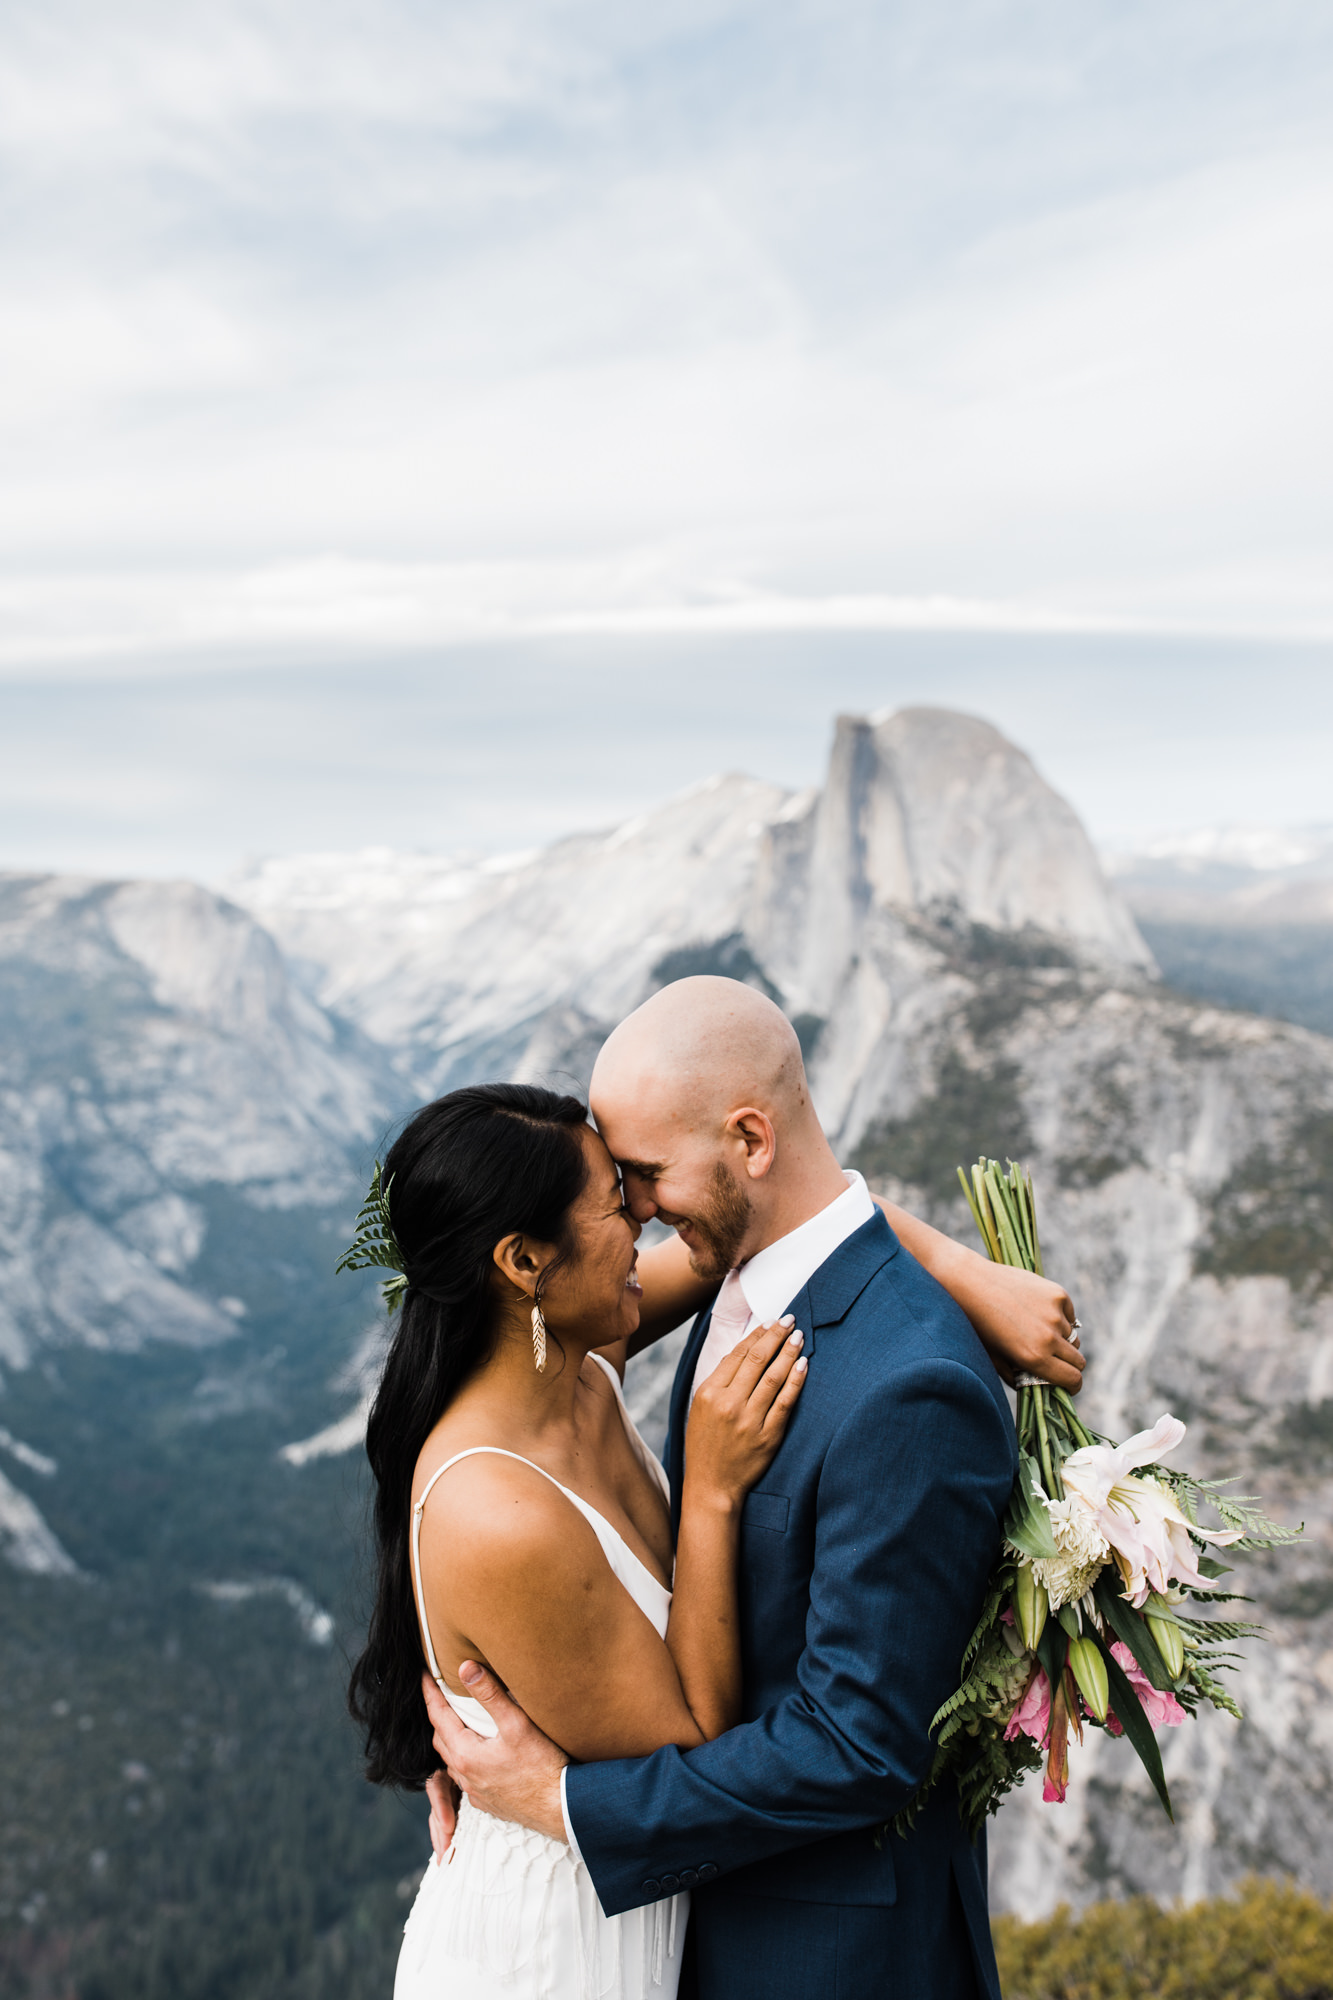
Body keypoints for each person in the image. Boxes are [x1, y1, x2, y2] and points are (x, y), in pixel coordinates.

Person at [421, 978, 1083, 2000]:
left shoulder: (912, 1388)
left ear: (749, 1141)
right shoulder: (727, 1272)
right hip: (682, 1929)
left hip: (825, 1959)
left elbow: (855, 1744)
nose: (630, 1212)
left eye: (642, 1173)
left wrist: (564, 1801)